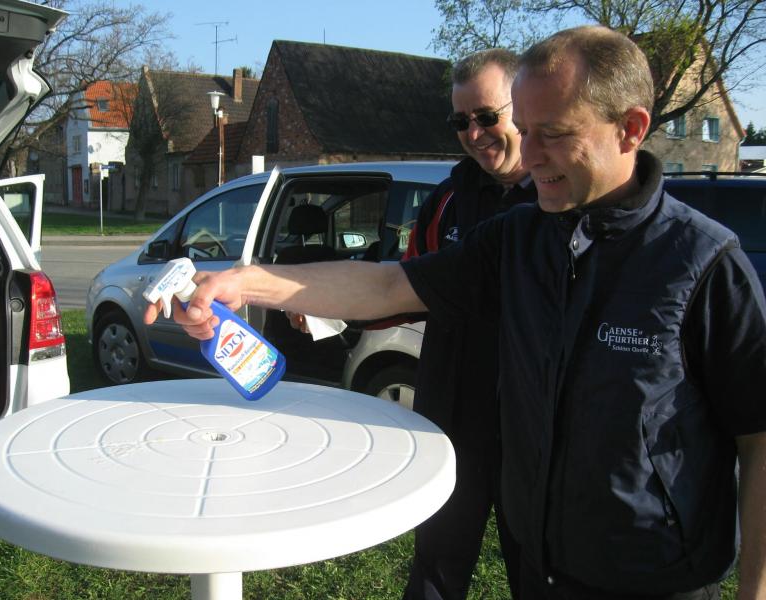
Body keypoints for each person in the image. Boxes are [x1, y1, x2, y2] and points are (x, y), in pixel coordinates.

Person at [145, 26, 766, 600]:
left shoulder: (703, 265)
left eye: (552, 133)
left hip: (656, 579)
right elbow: (389, 285)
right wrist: (247, 282)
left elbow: (759, 439)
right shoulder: (519, 237)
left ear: (630, 128)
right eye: (526, 128)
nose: (530, 153)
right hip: (542, 569)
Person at [399, 48, 532, 600]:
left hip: (534, 432)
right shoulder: (447, 199)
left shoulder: (562, 199)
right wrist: (326, 309)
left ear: (523, 108)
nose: (474, 134)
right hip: (454, 421)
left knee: (539, 573)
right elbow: (409, 286)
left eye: (487, 116)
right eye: (460, 121)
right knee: (435, 568)